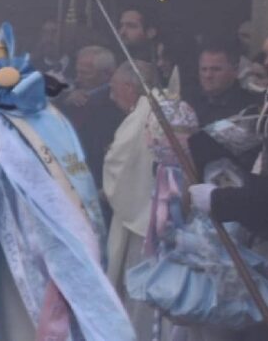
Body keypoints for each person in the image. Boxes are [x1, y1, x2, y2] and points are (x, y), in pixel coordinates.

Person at [103, 59, 162, 338]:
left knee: (138, 287)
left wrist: (104, 188)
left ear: (129, 86)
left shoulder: (143, 115)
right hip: (155, 211)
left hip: (143, 219)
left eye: (114, 89)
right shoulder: (160, 107)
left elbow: (118, 163)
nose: (112, 96)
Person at [60, 45, 121, 190]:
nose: (79, 78)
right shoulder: (71, 92)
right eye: (78, 72)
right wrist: (66, 100)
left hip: (96, 174)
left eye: (86, 73)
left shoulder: (115, 102)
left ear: (108, 74)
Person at [188, 40, 262, 126]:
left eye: (216, 69)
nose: (208, 75)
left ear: (235, 70)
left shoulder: (252, 107)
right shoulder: (189, 104)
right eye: (204, 69)